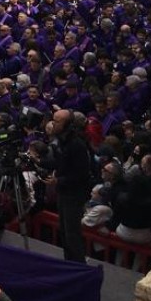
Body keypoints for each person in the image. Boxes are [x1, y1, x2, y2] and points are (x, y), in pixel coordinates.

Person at [49, 110, 92, 263]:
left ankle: (79, 265)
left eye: (57, 121)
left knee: (72, 234)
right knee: (64, 232)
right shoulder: (61, 139)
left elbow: (81, 174)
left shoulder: (77, 144)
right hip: (63, 191)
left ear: (67, 124)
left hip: (74, 194)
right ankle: (69, 262)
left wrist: (59, 181)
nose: (53, 123)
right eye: (53, 120)